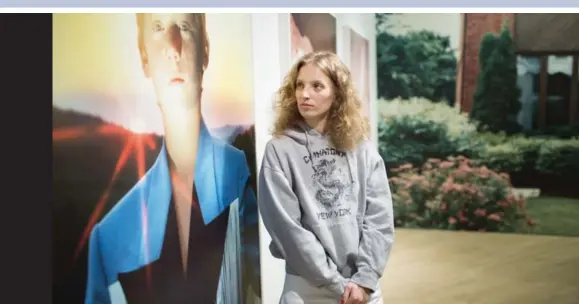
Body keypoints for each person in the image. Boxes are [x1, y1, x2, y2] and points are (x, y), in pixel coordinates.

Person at [84, 13, 257, 304]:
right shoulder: (110, 238)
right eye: (159, 28)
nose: (173, 47)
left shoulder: (240, 174)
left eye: (185, 27)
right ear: (144, 58)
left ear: (205, 51)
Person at [258, 51, 395, 304]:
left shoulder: (361, 148)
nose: (304, 94)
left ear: (337, 93)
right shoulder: (280, 150)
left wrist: (364, 280)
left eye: (316, 86)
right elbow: (287, 228)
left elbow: (380, 219)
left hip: (362, 290)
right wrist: (336, 284)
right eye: (299, 85)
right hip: (307, 288)